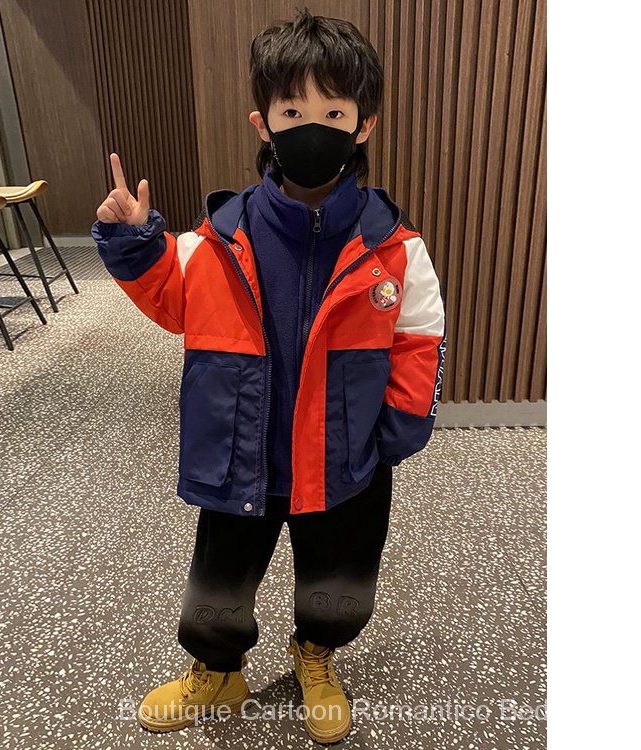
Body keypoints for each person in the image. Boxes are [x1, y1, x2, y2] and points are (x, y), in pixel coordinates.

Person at [91, 7, 446, 744]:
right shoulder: (218, 240)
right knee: (218, 581)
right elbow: (170, 299)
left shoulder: (395, 247)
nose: (312, 128)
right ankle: (218, 671)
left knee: (341, 580)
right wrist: (134, 241)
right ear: (263, 123)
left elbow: (419, 339)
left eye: (333, 113)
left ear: (364, 125)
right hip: (241, 454)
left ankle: (316, 654)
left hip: (344, 459)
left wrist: (396, 430)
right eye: (292, 111)